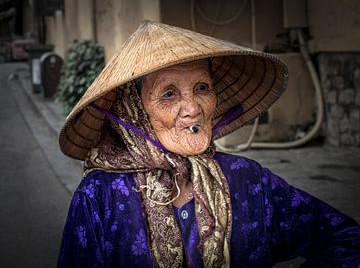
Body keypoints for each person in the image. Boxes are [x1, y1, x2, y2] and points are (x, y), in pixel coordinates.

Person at [57, 21, 360, 268]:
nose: (193, 108)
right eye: (169, 94)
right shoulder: (99, 195)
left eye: (202, 88)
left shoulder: (247, 179)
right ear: (135, 111)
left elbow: (347, 240)